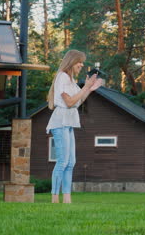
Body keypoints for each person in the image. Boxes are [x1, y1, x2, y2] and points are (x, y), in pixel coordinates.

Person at [46, 50, 103, 203]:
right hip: (60, 122)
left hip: (69, 122)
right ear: (72, 62)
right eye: (80, 62)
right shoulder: (62, 77)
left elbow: (79, 100)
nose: (82, 65)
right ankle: (54, 199)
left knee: (71, 162)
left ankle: (67, 199)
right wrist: (85, 88)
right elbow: (69, 102)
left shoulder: (71, 80)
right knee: (63, 161)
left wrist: (89, 88)